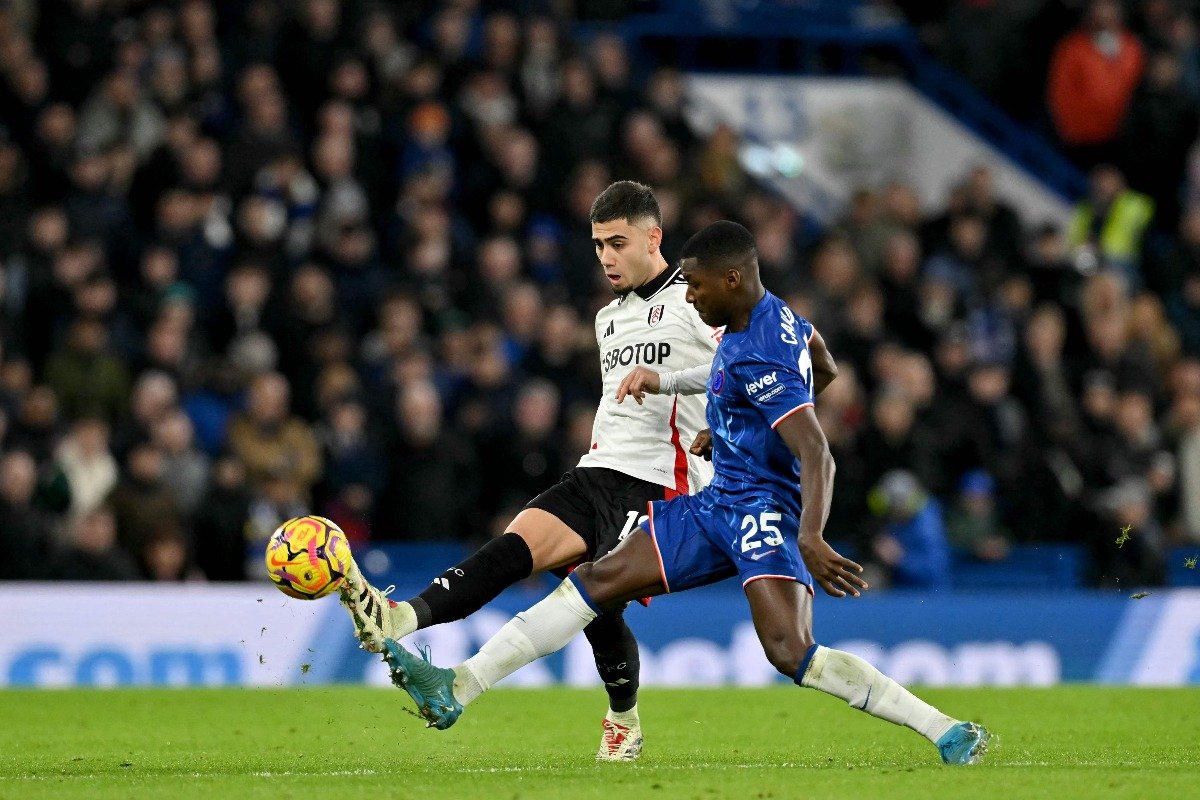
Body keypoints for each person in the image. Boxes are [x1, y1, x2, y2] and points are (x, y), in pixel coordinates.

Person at [376, 220, 992, 765]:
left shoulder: (760, 353)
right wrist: (728, 425)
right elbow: (821, 365)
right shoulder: (774, 316)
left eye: (696, 286)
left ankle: (943, 729)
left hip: (762, 513)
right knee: (594, 582)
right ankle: (459, 686)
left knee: (791, 653)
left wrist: (809, 534)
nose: (689, 296)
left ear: (731, 278)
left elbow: (816, 451)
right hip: (714, 504)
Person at [339, 181, 722, 760]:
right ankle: (400, 618)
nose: (606, 257)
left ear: (654, 238)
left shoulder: (696, 302)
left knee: (588, 594)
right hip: (596, 471)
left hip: (661, 484)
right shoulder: (607, 318)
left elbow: (747, 367)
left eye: (618, 243)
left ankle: (466, 686)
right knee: (515, 549)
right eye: (598, 245)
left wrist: (722, 426)